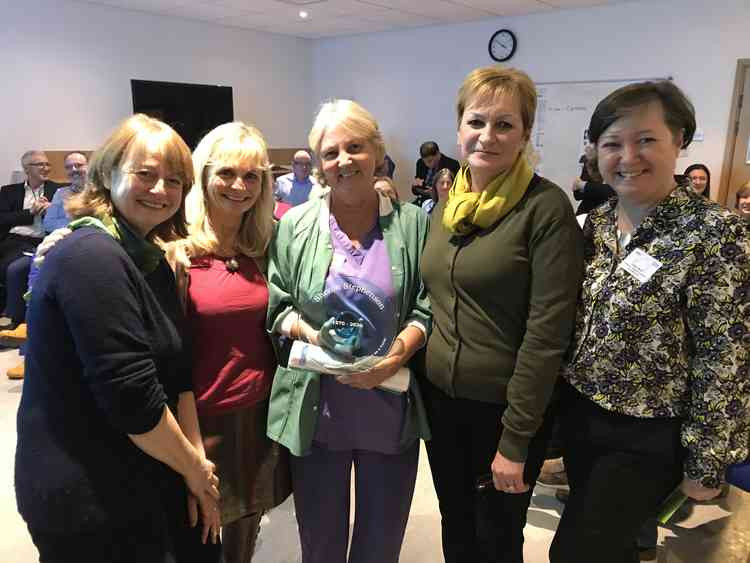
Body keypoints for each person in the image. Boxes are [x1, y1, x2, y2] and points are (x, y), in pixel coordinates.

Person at [549, 81, 750, 563]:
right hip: (582, 416)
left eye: (646, 140)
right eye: (612, 143)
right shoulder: (596, 224)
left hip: (649, 433)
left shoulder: (716, 235)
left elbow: (724, 358)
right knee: (610, 547)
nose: (628, 156)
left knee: (577, 552)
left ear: (679, 141)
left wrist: (705, 460)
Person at [15, 114, 221, 563]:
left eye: (174, 180)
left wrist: (196, 471)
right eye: (145, 175)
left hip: (153, 467)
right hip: (91, 490)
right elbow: (132, 397)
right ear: (107, 174)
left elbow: (178, 374)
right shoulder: (91, 256)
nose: (162, 190)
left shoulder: (149, 257)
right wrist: (197, 472)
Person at [419, 65, 583, 563]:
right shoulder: (449, 202)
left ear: (525, 134)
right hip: (442, 403)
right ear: (458, 127)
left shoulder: (545, 208)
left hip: (504, 410)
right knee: (456, 520)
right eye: (477, 121)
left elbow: (546, 334)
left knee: (496, 535)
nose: (487, 136)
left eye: (505, 124)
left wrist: (515, 441)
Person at [266, 99, 431, 563]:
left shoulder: (413, 223)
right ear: (318, 163)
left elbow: (426, 303)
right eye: (331, 152)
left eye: (355, 147)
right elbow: (277, 306)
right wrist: (315, 336)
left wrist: (396, 355)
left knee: (381, 537)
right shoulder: (296, 226)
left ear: (376, 151)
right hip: (319, 410)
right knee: (319, 537)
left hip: (389, 405)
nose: (343, 161)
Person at [168, 122, 291, 562]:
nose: (239, 186)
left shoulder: (266, 245)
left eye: (252, 176)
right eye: (226, 173)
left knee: (243, 541)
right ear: (203, 175)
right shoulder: (175, 250)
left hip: (258, 420)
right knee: (197, 542)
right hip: (199, 425)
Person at [1, 152, 89, 364]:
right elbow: (50, 224)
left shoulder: (98, 191)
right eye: (69, 167)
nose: (74, 171)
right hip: (49, 239)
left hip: (85, 239)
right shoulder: (61, 193)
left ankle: (26, 328)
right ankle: (25, 328)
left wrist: (73, 225)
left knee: (34, 263)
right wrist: (66, 224)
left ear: (88, 166)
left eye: (79, 165)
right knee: (36, 264)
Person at [0, 151, 62, 310]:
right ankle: (10, 312)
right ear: (27, 169)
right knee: (12, 267)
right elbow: (3, 218)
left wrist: (52, 210)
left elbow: (67, 218)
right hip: (15, 240)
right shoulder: (9, 191)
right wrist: (30, 212)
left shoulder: (59, 191)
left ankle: (15, 314)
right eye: (40, 164)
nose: (46, 168)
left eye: (48, 164)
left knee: (19, 268)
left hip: (46, 240)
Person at [572, 144, 615, 215]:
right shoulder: (588, 164)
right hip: (586, 213)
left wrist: (583, 185)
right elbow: (577, 194)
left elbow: (611, 193)